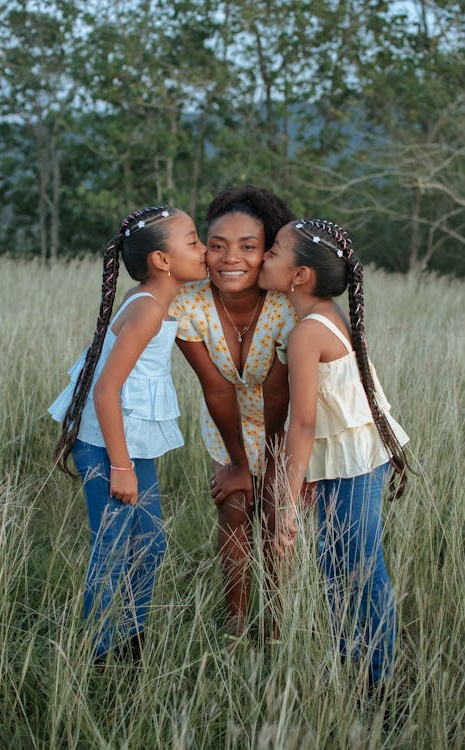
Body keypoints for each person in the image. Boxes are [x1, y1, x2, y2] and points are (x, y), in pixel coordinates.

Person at [48, 206, 206, 661]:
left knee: (150, 543)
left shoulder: (157, 302)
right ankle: (98, 651)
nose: (202, 250)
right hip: (106, 447)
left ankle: (132, 638)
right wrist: (120, 467)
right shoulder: (146, 311)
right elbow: (105, 390)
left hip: (131, 444)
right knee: (114, 546)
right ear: (162, 260)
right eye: (193, 241)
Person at [258, 217, 410, 689]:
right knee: (337, 561)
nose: (264, 255)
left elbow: (302, 422)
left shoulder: (308, 332)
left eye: (274, 250)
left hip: (354, 464)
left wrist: (286, 499)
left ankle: (380, 681)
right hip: (350, 459)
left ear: (300, 275)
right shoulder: (322, 315)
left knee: (359, 567)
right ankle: (352, 660)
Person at [170, 186, 297, 637]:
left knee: (275, 512)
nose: (231, 258)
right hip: (226, 422)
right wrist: (240, 465)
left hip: (286, 424)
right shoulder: (188, 303)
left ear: (267, 252)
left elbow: (280, 398)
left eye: (248, 246)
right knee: (235, 506)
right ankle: (238, 627)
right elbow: (217, 390)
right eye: (218, 245)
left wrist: (278, 465)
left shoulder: (285, 305)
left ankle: (278, 626)